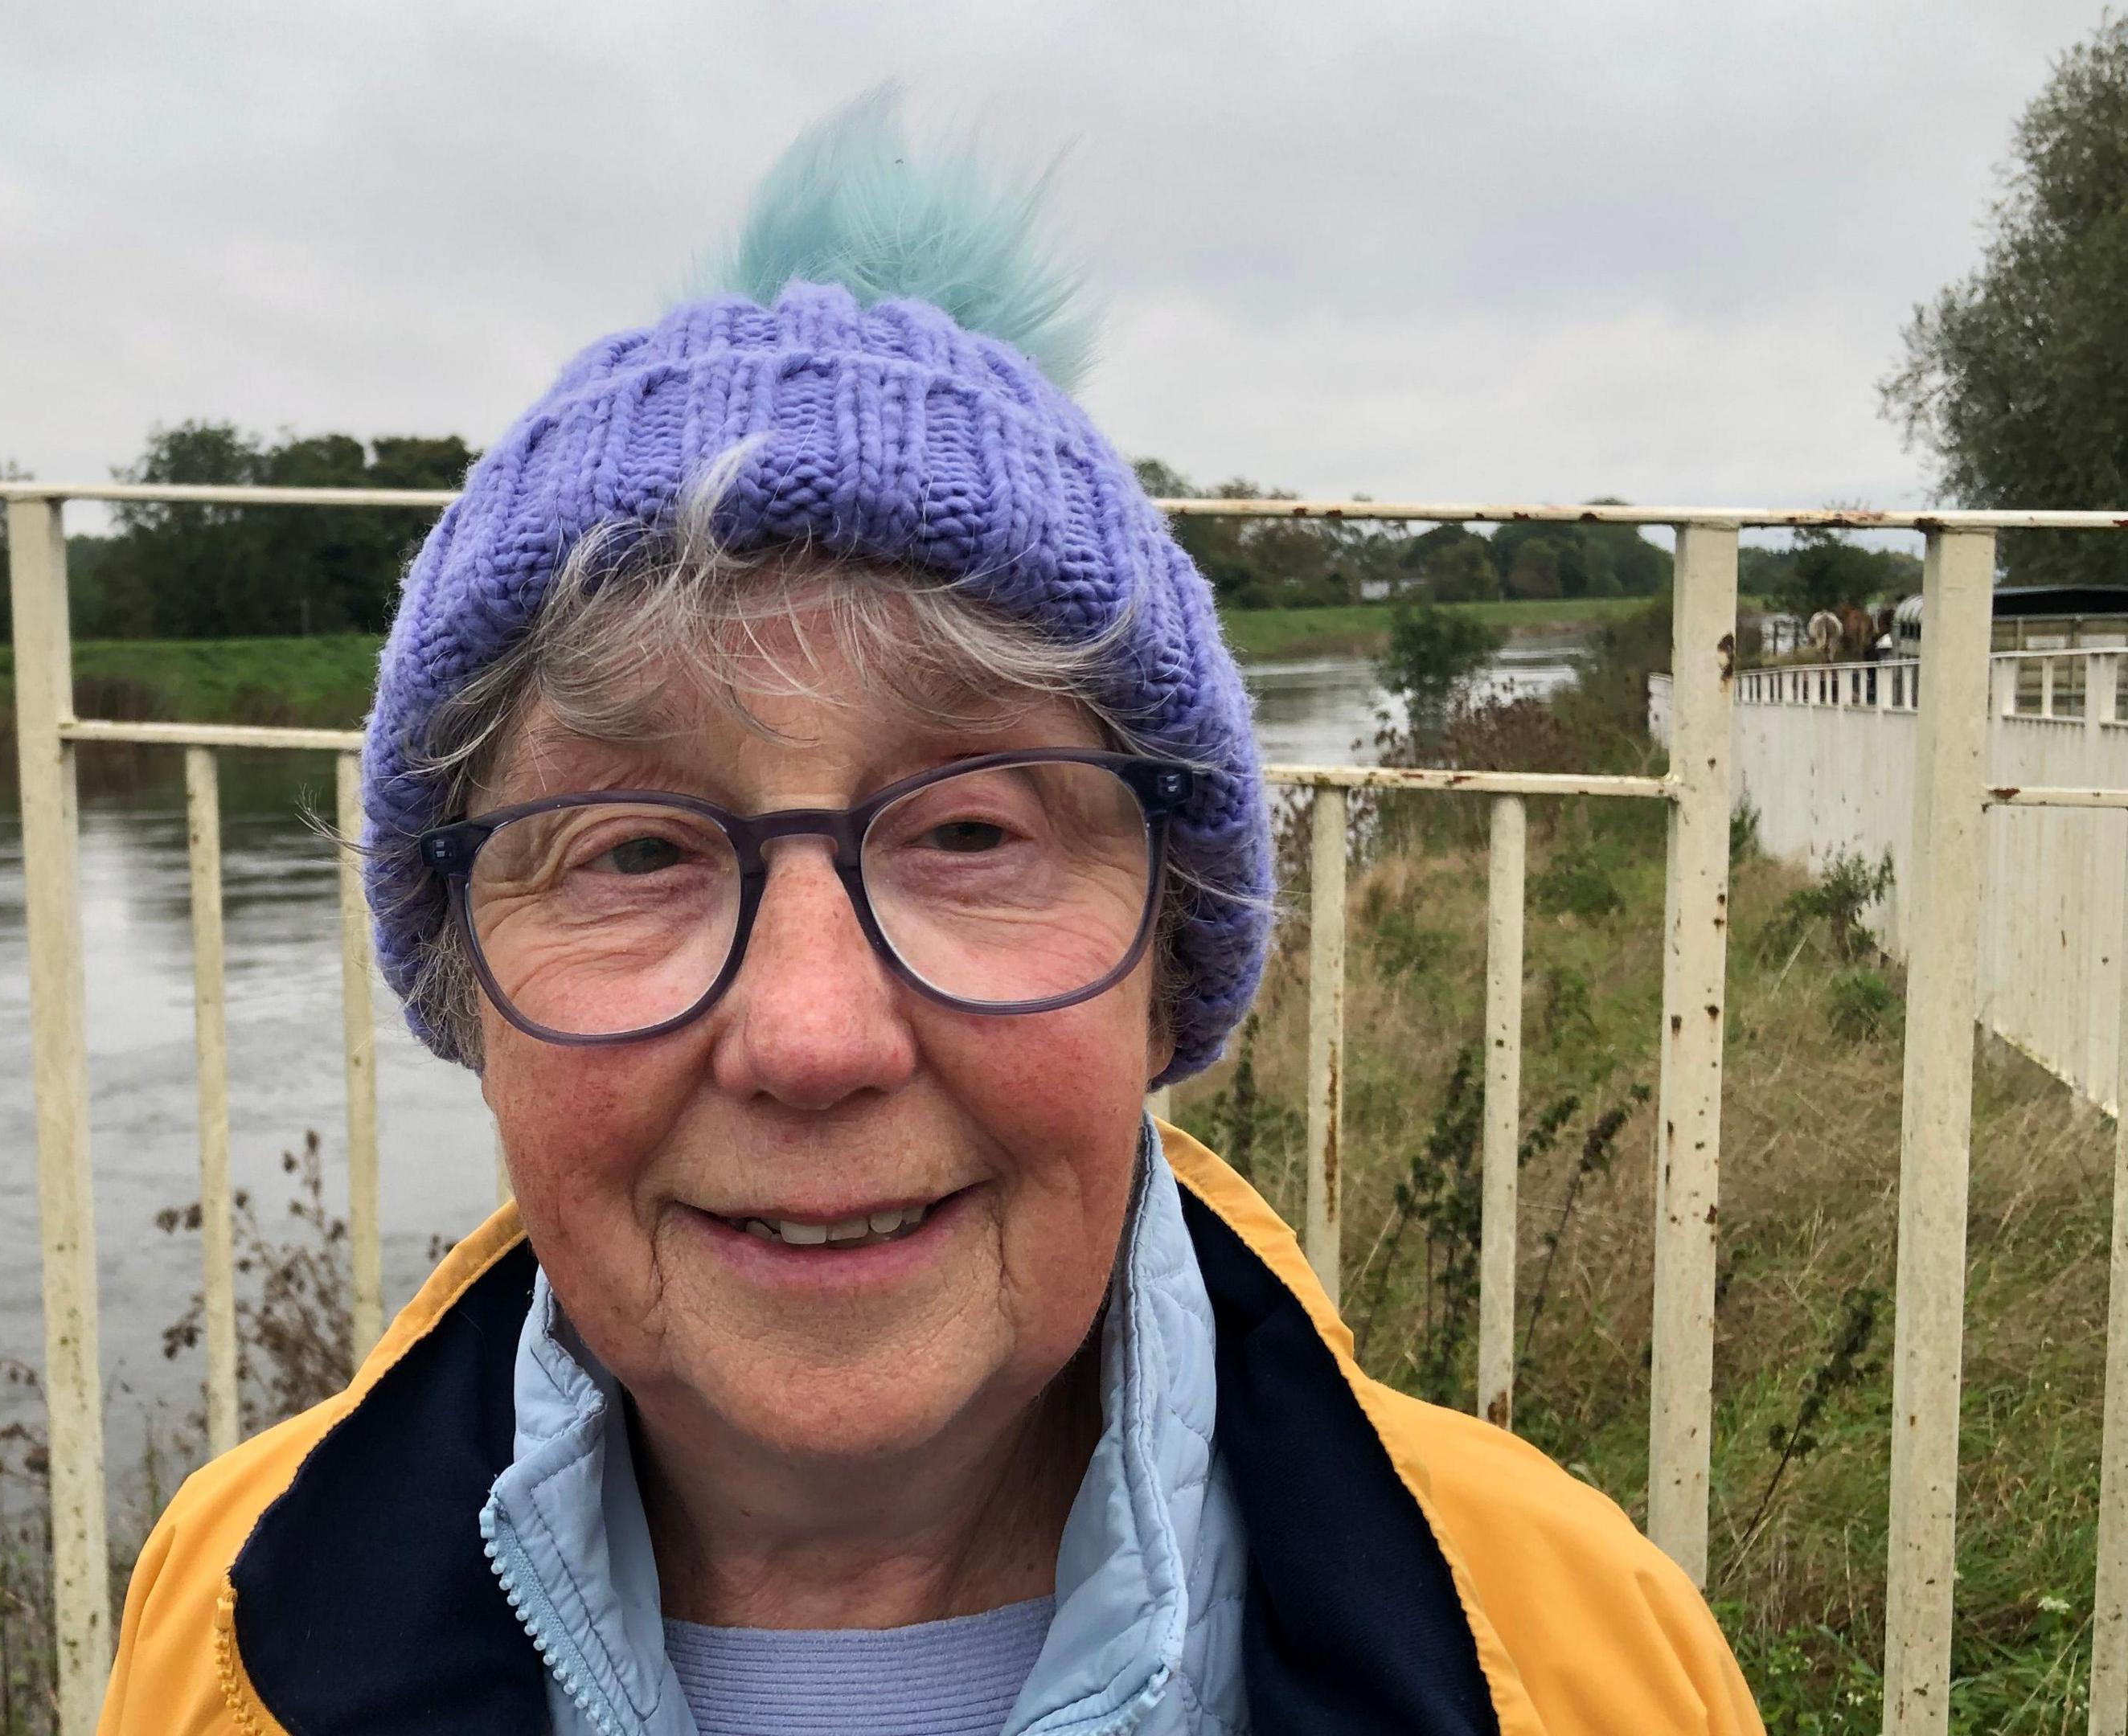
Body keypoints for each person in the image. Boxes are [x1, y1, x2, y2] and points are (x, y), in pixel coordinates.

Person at [100, 93, 1759, 1736]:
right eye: (633, 854)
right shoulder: (222, 1624)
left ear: (1168, 968)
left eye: (972, 830)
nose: (813, 1034)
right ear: (466, 983)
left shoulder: (1571, 1653)